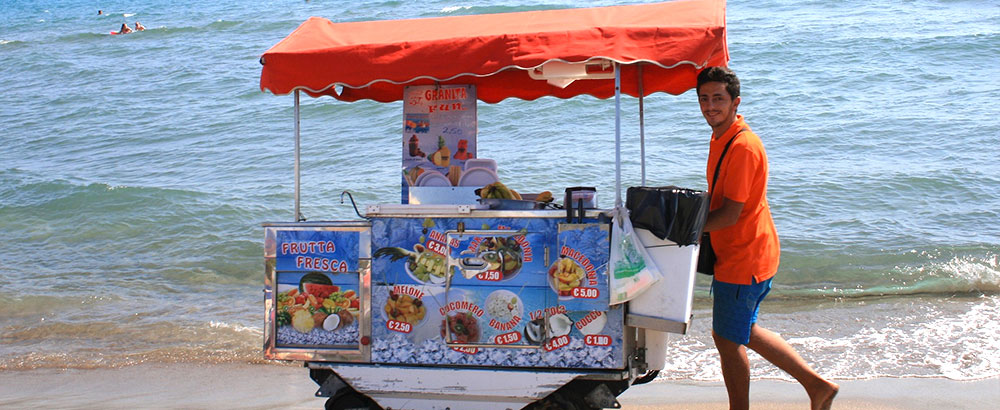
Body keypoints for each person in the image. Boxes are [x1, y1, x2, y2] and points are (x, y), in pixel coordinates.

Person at [697, 66, 839, 410]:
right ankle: (818, 386)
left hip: (746, 256)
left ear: (735, 102)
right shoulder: (722, 136)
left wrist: (685, 229)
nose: (710, 106)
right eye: (704, 98)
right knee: (740, 332)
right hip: (742, 251)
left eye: (718, 98)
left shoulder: (743, 146)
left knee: (729, 340)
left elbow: (730, 214)